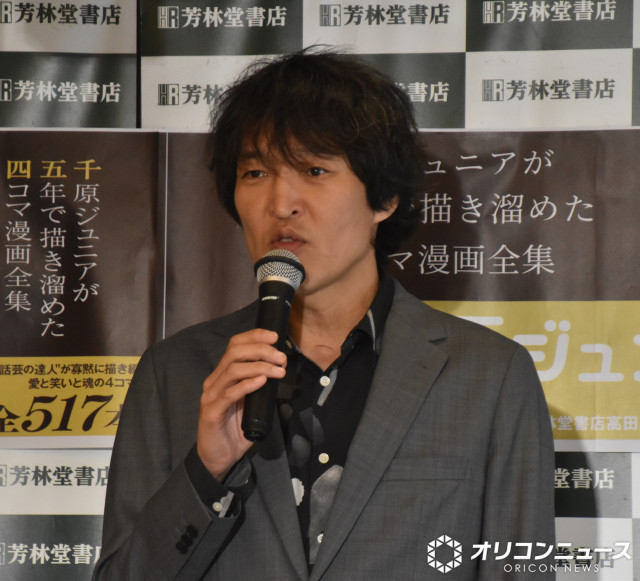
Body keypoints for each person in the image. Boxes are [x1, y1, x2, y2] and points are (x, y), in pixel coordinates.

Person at [93, 48, 555, 580]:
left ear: (384, 198)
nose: (281, 203)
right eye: (255, 172)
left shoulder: (489, 375)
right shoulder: (175, 372)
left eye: (314, 170)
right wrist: (206, 470)